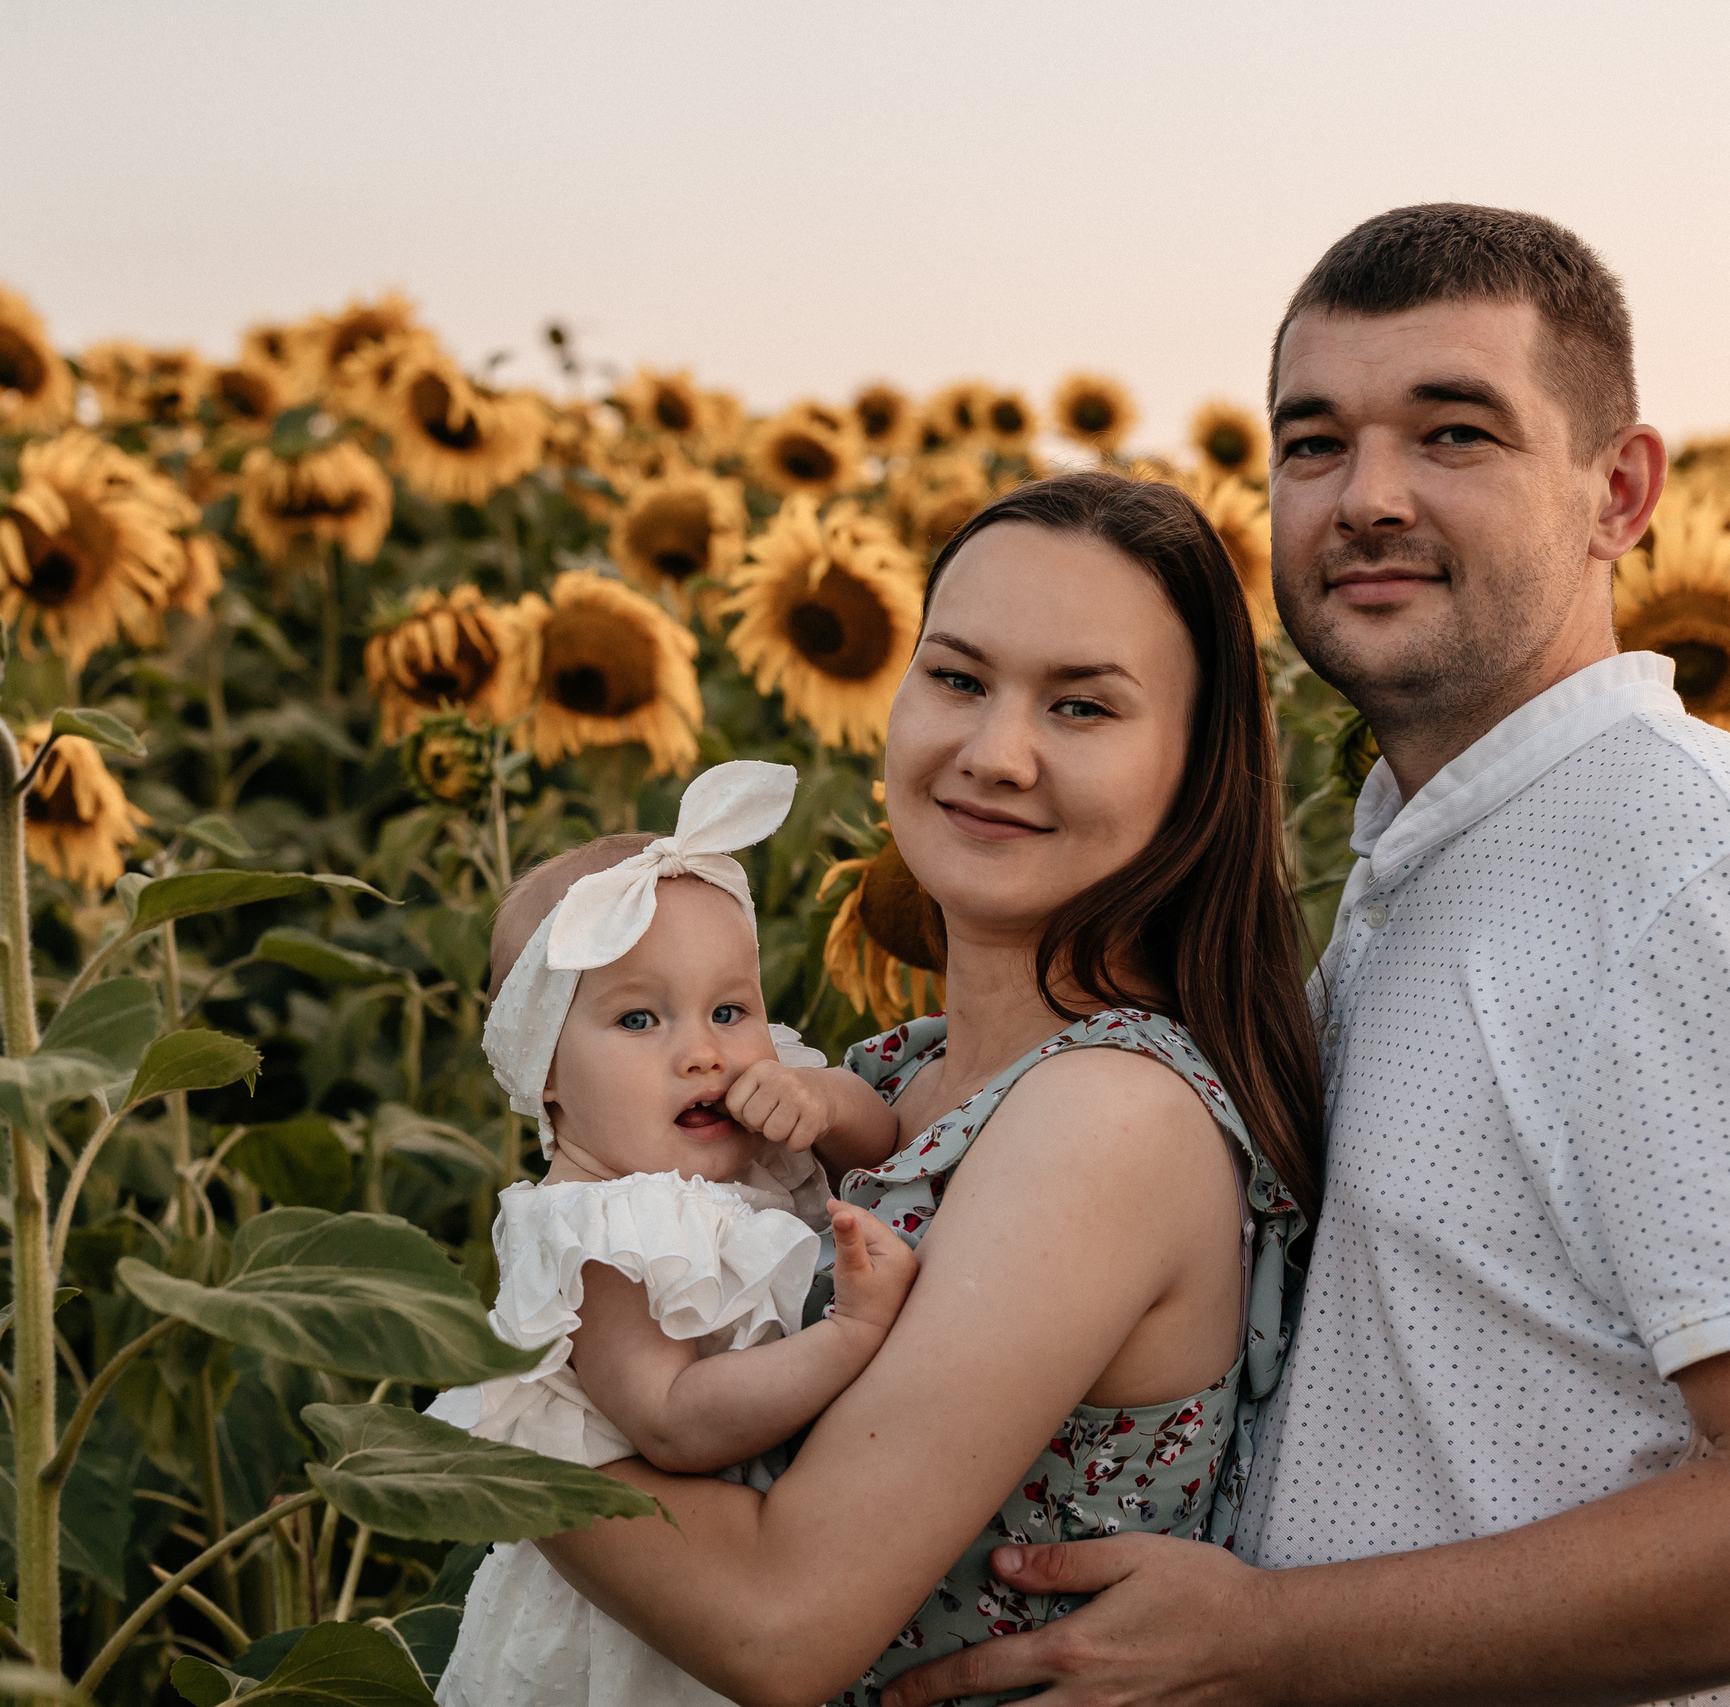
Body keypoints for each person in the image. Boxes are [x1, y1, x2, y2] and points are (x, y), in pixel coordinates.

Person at [882, 204, 1730, 1707]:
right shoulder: (1435, 853)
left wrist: (1262, 1637)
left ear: (1619, 491)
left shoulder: (1702, 867)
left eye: (1456, 433)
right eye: (1315, 442)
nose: (1367, 495)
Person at [529, 470, 1324, 1706]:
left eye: (1080, 707)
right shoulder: (893, 1076)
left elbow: (776, 1625)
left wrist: (499, 1422)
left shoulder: (1102, 1117)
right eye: (956, 679)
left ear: (1193, 765)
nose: (993, 754)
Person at [429, 759, 919, 1706]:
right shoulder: (595, 1235)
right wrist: (848, 1339)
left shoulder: (737, 1146)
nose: (704, 1049)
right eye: (641, 1017)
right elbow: (674, 1417)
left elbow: (885, 1139)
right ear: (547, 1074)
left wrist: (821, 1098)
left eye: (730, 1010)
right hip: (649, 1647)